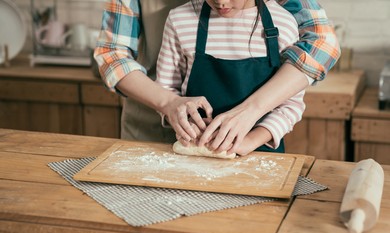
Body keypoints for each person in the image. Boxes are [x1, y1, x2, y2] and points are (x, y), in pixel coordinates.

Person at [94, 0, 340, 155]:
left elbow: (323, 44)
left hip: (254, 149)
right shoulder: (180, 19)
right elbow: (111, 55)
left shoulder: (281, 23)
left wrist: (253, 120)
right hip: (153, 133)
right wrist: (169, 103)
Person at [156, 0, 306, 155]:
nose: (221, 2)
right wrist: (186, 123)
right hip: (195, 147)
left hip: (260, 152)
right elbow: (166, 91)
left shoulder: (283, 23)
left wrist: (250, 140)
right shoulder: (180, 20)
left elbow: (291, 106)